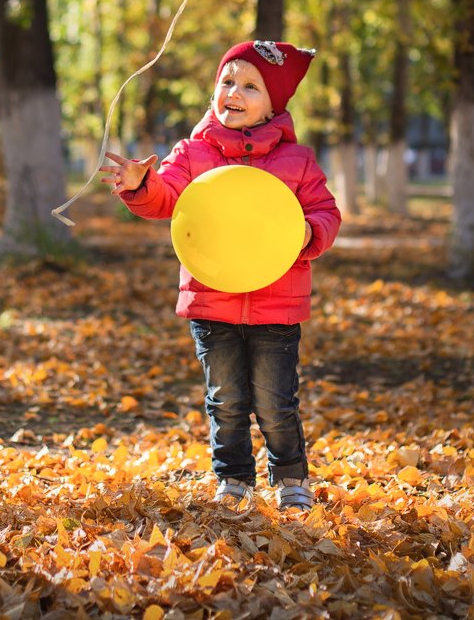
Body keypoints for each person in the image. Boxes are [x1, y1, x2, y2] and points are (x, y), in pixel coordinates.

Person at [100, 40, 342, 515]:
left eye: (251, 86)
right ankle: (233, 480)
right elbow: (167, 198)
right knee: (226, 400)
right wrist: (141, 185)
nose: (234, 91)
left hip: (276, 303)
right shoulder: (193, 153)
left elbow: (326, 213)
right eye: (227, 81)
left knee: (275, 401)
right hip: (211, 301)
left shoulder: (298, 162)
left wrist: (307, 232)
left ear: (273, 106)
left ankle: (291, 478)